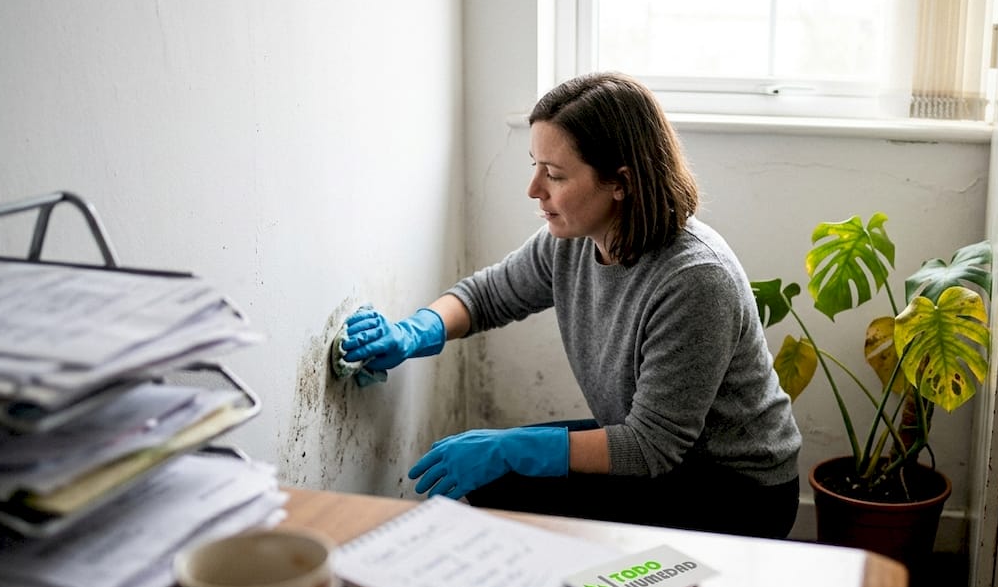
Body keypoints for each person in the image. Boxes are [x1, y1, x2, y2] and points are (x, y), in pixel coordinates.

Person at [340, 72, 801, 538]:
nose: (534, 188)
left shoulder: (695, 280)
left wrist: (512, 448)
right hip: (658, 450)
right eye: (535, 165)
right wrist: (416, 331)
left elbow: (650, 447)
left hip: (735, 488)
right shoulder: (573, 240)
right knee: (500, 479)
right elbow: (487, 296)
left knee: (504, 477)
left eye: (555, 175)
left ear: (620, 182)